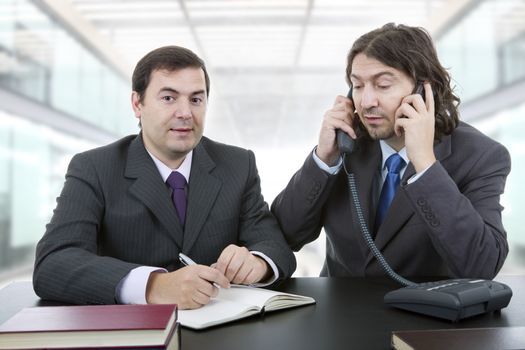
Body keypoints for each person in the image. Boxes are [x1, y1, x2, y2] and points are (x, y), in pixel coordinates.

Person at [33, 46, 296, 309]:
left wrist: (257, 263)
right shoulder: (94, 168)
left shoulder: (238, 165)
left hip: (220, 328)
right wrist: (153, 286)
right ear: (138, 104)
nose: (185, 113)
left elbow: (275, 246)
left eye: (196, 99)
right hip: (131, 334)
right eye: (169, 98)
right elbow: (54, 263)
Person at [271, 23, 510, 280]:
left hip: (426, 314)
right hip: (340, 311)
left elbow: (482, 265)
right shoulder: (346, 144)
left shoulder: (481, 156)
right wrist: (323, 160)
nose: (367, 102)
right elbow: (284, 236)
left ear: (423, 90)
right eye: (358, 85)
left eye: (383, 85)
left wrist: (426, 166)